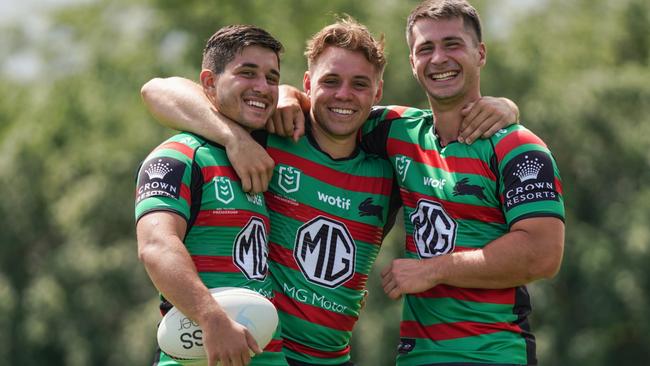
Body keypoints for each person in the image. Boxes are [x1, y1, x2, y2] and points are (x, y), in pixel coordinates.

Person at [140, 17, 519, 366]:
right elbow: (158, 90)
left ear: (377, 91)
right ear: (307, 84)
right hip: (262, 349)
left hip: (334, 358)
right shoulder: (271, 134)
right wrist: (235, 137)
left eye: (359, 84)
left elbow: (443, 128)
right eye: (330, 81)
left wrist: (504, 106)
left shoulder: (390, 159)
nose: (343, 95)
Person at [358, 1, 565, 365]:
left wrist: (434, 269)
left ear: (480, 53)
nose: (439, 58)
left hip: (494, 355)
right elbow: (324, 108)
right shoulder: (396, 131)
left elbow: (543, 254)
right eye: (425, 48)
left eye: (452, 44)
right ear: (412, 62)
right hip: (415, 356)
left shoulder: (518, 147)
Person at [135, 25, 287, 366]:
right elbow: (156, 246)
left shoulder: (267, 152)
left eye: (271, 77)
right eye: (247, 73)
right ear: (209, 83)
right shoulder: (177, 156)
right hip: (200, 355)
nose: (262, 87)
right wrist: (211, 318)